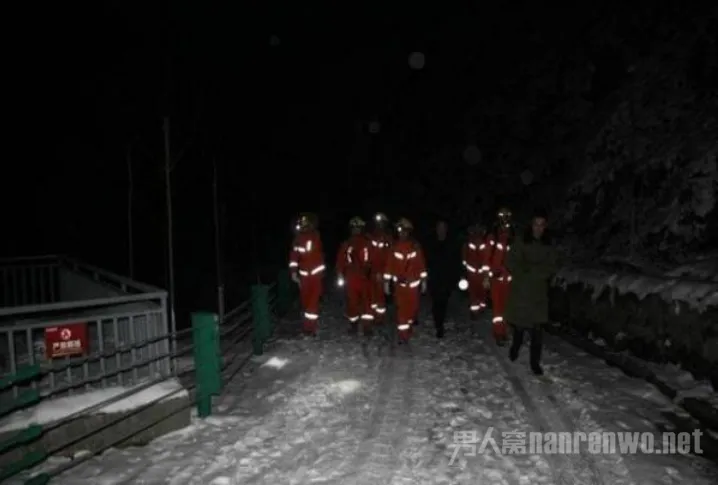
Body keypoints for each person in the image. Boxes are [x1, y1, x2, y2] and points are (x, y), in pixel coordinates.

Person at [505, 210, 558, 375]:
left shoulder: (548, 245)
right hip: (522, 292)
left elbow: (552, 266)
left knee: (537, 331)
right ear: (531, 225)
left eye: (542, 225)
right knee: (520, 328)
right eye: (536, 224)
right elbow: (511, 261)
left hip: (538, 295)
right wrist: (524, 271)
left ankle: (535, 363)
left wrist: (537, 272)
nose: (538, 228)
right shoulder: (521, 242)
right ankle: (514, 349)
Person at [384, 218, 427, 343]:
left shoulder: (415, 247)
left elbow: (421, 264)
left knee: (412, 310)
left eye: (405, 231)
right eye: (400, 231)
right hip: (400, 286)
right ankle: (403, 336)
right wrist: (387, 282)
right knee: (402, 311)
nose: (402, 233)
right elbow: (389, 265)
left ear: (409, 232)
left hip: (413, 286)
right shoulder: (394, 247)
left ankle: (408, 327)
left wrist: (424, 280)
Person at [289, 213, 325, 336]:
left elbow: (316, 253)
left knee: (312, 304)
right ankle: (307, 327)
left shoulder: (315, 236)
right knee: (305, 302)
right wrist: (294, 273)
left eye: (306, 224)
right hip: (304, 277)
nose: (303, 226)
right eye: (301, 224)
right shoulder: (297, 239)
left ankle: (311, 329)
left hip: (315, 276)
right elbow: (294, 257)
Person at [336, 217, 373, 335]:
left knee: (367, 302)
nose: (356, 230)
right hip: (351, 277)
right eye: (354, 228)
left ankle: (367, 327)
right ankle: (353, 325)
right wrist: (340, 274)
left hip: (365, 277)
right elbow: (340, 261)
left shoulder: (367, 243)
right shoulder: (347, 244)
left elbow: (373, 259)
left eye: (358, 228)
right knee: (352, 302)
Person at [425, 219, 461, 338]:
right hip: (434, 278)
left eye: (443, 228)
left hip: (447, 278)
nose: (441, 230)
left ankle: (440, 322)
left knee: (443, 302)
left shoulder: (452, 243)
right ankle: (438, 325)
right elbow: (425, 261)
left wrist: (456, 277)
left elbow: (456, 262)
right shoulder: (430, 243)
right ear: (436, 229)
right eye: (439, 228)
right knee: (436, 302)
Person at [487, 207, 513, 345]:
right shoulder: (493, 236)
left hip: (508, 278)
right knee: (497, 308)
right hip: (496, 278)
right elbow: (487, 256)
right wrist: (487, 275)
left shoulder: (512, 235)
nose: (504, 219)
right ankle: (498, 332)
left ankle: (504, 331)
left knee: (506, 307)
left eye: (506, 216)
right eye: (502, 216)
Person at [461, 223, 491, 319]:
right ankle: (475, 312)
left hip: (479, 273)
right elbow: (464, 256)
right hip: (474, 273)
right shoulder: (469, 242)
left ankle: (479, 309)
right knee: (475, 293)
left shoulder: (484, 242)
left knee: (480, 292)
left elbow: (487, 257)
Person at [367, 212, 392, 323]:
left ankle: (380, 318)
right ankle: (371, 316)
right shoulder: (370, 237)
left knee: (381, 296)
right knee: (371, 295)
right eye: (378, 222)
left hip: (383, 270)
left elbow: (391, 256)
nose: (380, 225)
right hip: (371, 270)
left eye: (382, 223)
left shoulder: (388, 238)